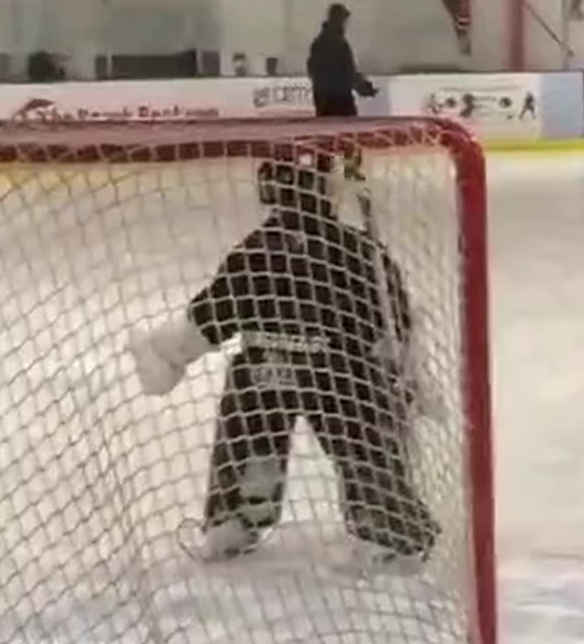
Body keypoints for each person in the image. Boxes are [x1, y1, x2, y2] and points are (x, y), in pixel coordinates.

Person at [126, 155, 443, 566]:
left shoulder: (254, 251)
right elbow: (395, 320)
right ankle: (386, 524)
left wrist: (171, 352)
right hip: (342, 374)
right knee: (364, 437)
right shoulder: (360, 250)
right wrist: (406, 369)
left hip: (265, 366)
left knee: (248, 417)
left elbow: (212, 316)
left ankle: (236, 516)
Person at [307, 3, 378, 117]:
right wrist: (362, 87)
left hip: (325, 99)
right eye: (343, 19)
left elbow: (312, 70)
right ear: (336, 19)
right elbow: (347, 72)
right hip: (338, 99)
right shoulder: (337, 43)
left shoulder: (320, 43)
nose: (345, 23)